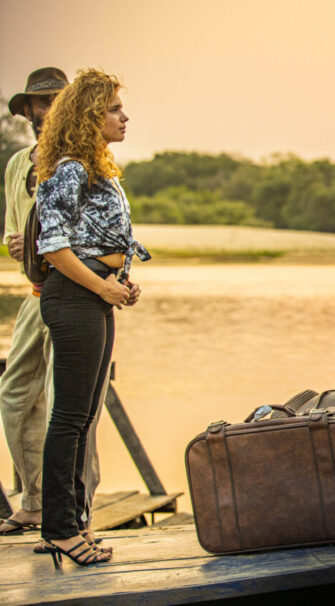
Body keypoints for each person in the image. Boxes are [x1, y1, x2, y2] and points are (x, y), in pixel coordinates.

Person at [35, 69, 149, 567]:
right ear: (88, 115)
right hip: (74, 296)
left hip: (95, 297)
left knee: (84, 417)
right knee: (70, 417)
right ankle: (60, 529)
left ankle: (75, 523)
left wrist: (119, 280)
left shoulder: (98, 168)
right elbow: (52, 245)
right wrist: (101, 283)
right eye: (113, 109)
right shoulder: (69, 169)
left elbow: (95, 241)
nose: (124, 117)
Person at [0, 67, 107, 539]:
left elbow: (108, 237)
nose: (45, 111)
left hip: (79, 296)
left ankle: (74, 513)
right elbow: (14, 228)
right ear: (28, 112)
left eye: (54, 101)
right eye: (38, 104)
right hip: (37, 294)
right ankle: (36, 500)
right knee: (16, 395)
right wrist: (17, 244)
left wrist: (110, 285)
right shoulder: (19, 165)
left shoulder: (84, 162)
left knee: (75, 407)